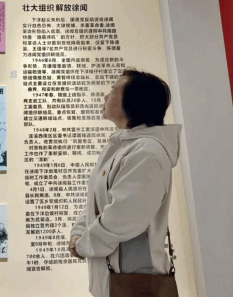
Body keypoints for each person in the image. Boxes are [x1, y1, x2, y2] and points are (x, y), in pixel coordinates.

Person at [68, 68, 182, 297]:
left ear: (133, 102)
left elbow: (124, 217)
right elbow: (96, 203)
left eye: (113, 91)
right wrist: (78, 232)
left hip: (136, 281)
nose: (105, 96)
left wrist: (83, 244)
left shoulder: (147, 152)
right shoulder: (121, 147)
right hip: (116, 281)